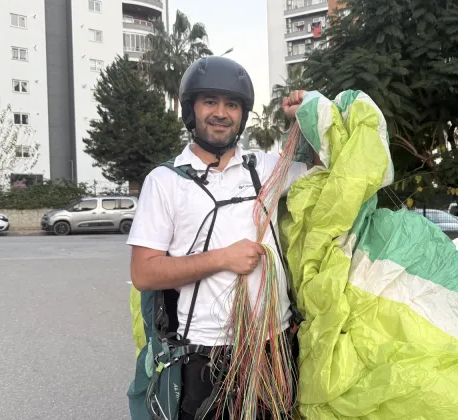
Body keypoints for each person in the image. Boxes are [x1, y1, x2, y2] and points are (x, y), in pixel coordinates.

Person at [127, 56, 319, 419]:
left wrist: (308, 115)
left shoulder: (264, 169)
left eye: (232, 104)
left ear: (242, 115)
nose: (221, 113)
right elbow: (144, 273)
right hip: (204, 355)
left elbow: (327, 169)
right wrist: (222, 258)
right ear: (192, 109)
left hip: (272, 346)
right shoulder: (165, 182)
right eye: (210, 102)